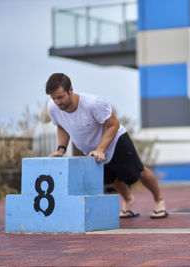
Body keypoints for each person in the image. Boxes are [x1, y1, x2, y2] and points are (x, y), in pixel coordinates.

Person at [46, 73, 168, 219]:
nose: (57, 102)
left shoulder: (93, 103)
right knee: (110, 178)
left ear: (70, 89)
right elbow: (61, 127)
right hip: (91, 150)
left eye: (60, 97)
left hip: (116, 141)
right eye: (53, 98)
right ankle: (128, 200)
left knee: (138, 171)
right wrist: (61, 149)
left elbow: (113, 124)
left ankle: (159, 200)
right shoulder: (53, 108)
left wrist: (101, 149)